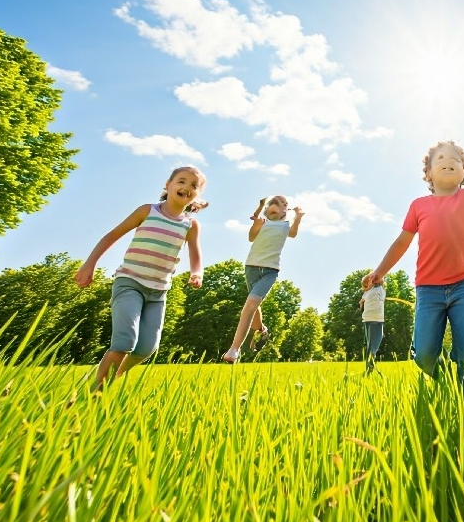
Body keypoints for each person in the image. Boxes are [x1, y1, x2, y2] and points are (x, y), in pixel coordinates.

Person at [362, 115, 464, 394]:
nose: (449, 160)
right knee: (422, 355)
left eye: (456, 158)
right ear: (429, 173)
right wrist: (379, 272)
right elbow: (401, 242)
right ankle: (447, 383)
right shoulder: (419, 206)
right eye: (441, 157)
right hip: (428, 290)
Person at [75, 166, 206, 391]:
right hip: (130, 282)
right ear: (168, 185)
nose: (187, 187)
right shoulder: (148, 211)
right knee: (125, 341)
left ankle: (104, 378)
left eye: (194, 186)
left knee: (146, 348)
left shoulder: (190, 225)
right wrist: (90, 264)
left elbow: (195, 253)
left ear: (197, 195)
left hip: (158, 292)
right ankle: (94, 391)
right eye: (182, 181)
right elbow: (112, 235)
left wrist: (197, 273)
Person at [222, 195, 304, 363]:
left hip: (270, 271)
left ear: (284, 211)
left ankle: (234, 349)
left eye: (282, 203)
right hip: (251, 268)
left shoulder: (285, 225)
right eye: (272, 202)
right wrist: (257, 219)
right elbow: (251, 237)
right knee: (253, 305)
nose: (276, 203)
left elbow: (293, 234)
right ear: (267, 209)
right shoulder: (262, 221)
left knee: (251, 302)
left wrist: (298, 217)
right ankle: (261, 329)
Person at [359, 280, 386, 374]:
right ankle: (369, 368)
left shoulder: (379, 289)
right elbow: (361, 307)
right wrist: (361, 303)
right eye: (364, 286)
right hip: (370, 320)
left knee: (376, 341)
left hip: (378, 320)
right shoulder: (366, 293)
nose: (364, 288)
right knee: (371, 344)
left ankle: (371, 365)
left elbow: (379, 280)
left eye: (366, 286)